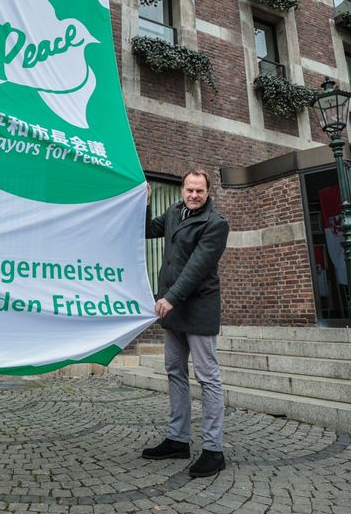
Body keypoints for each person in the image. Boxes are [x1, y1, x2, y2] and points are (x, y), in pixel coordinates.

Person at [141, 169, 229, 478]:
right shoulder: (174, 212)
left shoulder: (216, 224)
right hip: (174, 310)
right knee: (174, 372)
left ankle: (213, 450)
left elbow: (196, 268)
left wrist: (169, 298)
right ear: (182, 189)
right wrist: (145, 201)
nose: (194, 195)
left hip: (197, 309)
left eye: (199, 191)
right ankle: (178, 440)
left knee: (208, 378)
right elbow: (148, 230)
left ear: (208, 193)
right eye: (189, 190)